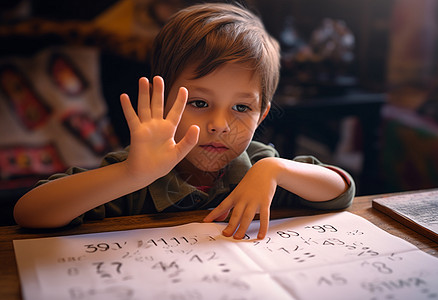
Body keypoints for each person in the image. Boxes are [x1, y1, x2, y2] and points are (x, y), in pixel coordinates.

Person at [13, 3, 355, 239]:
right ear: (162, 104)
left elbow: (341, 191)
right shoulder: (140, 171)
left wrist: (275, 170)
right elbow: (29, 213)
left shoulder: (260, 167)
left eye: (240, 108)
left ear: (262, 114)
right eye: (200, 102)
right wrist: (131, 174)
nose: (220, 124)